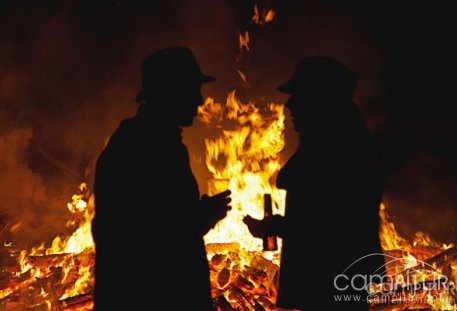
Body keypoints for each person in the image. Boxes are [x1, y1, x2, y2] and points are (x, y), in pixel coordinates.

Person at [93, 47, 231, 310]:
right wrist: (203, 217)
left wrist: (198, 215)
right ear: (171, 92)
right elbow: (151, 235)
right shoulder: (142, 147)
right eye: (193, 90)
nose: (200, 101)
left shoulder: (153, 142)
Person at [244, 57, 385, 310]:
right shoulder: (339, 138)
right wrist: (276, 226)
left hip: (333, 280)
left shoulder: (336, 150)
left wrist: (276, 226)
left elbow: (330, 228)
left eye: (299, 95)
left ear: (320, 99)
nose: (290, 105)